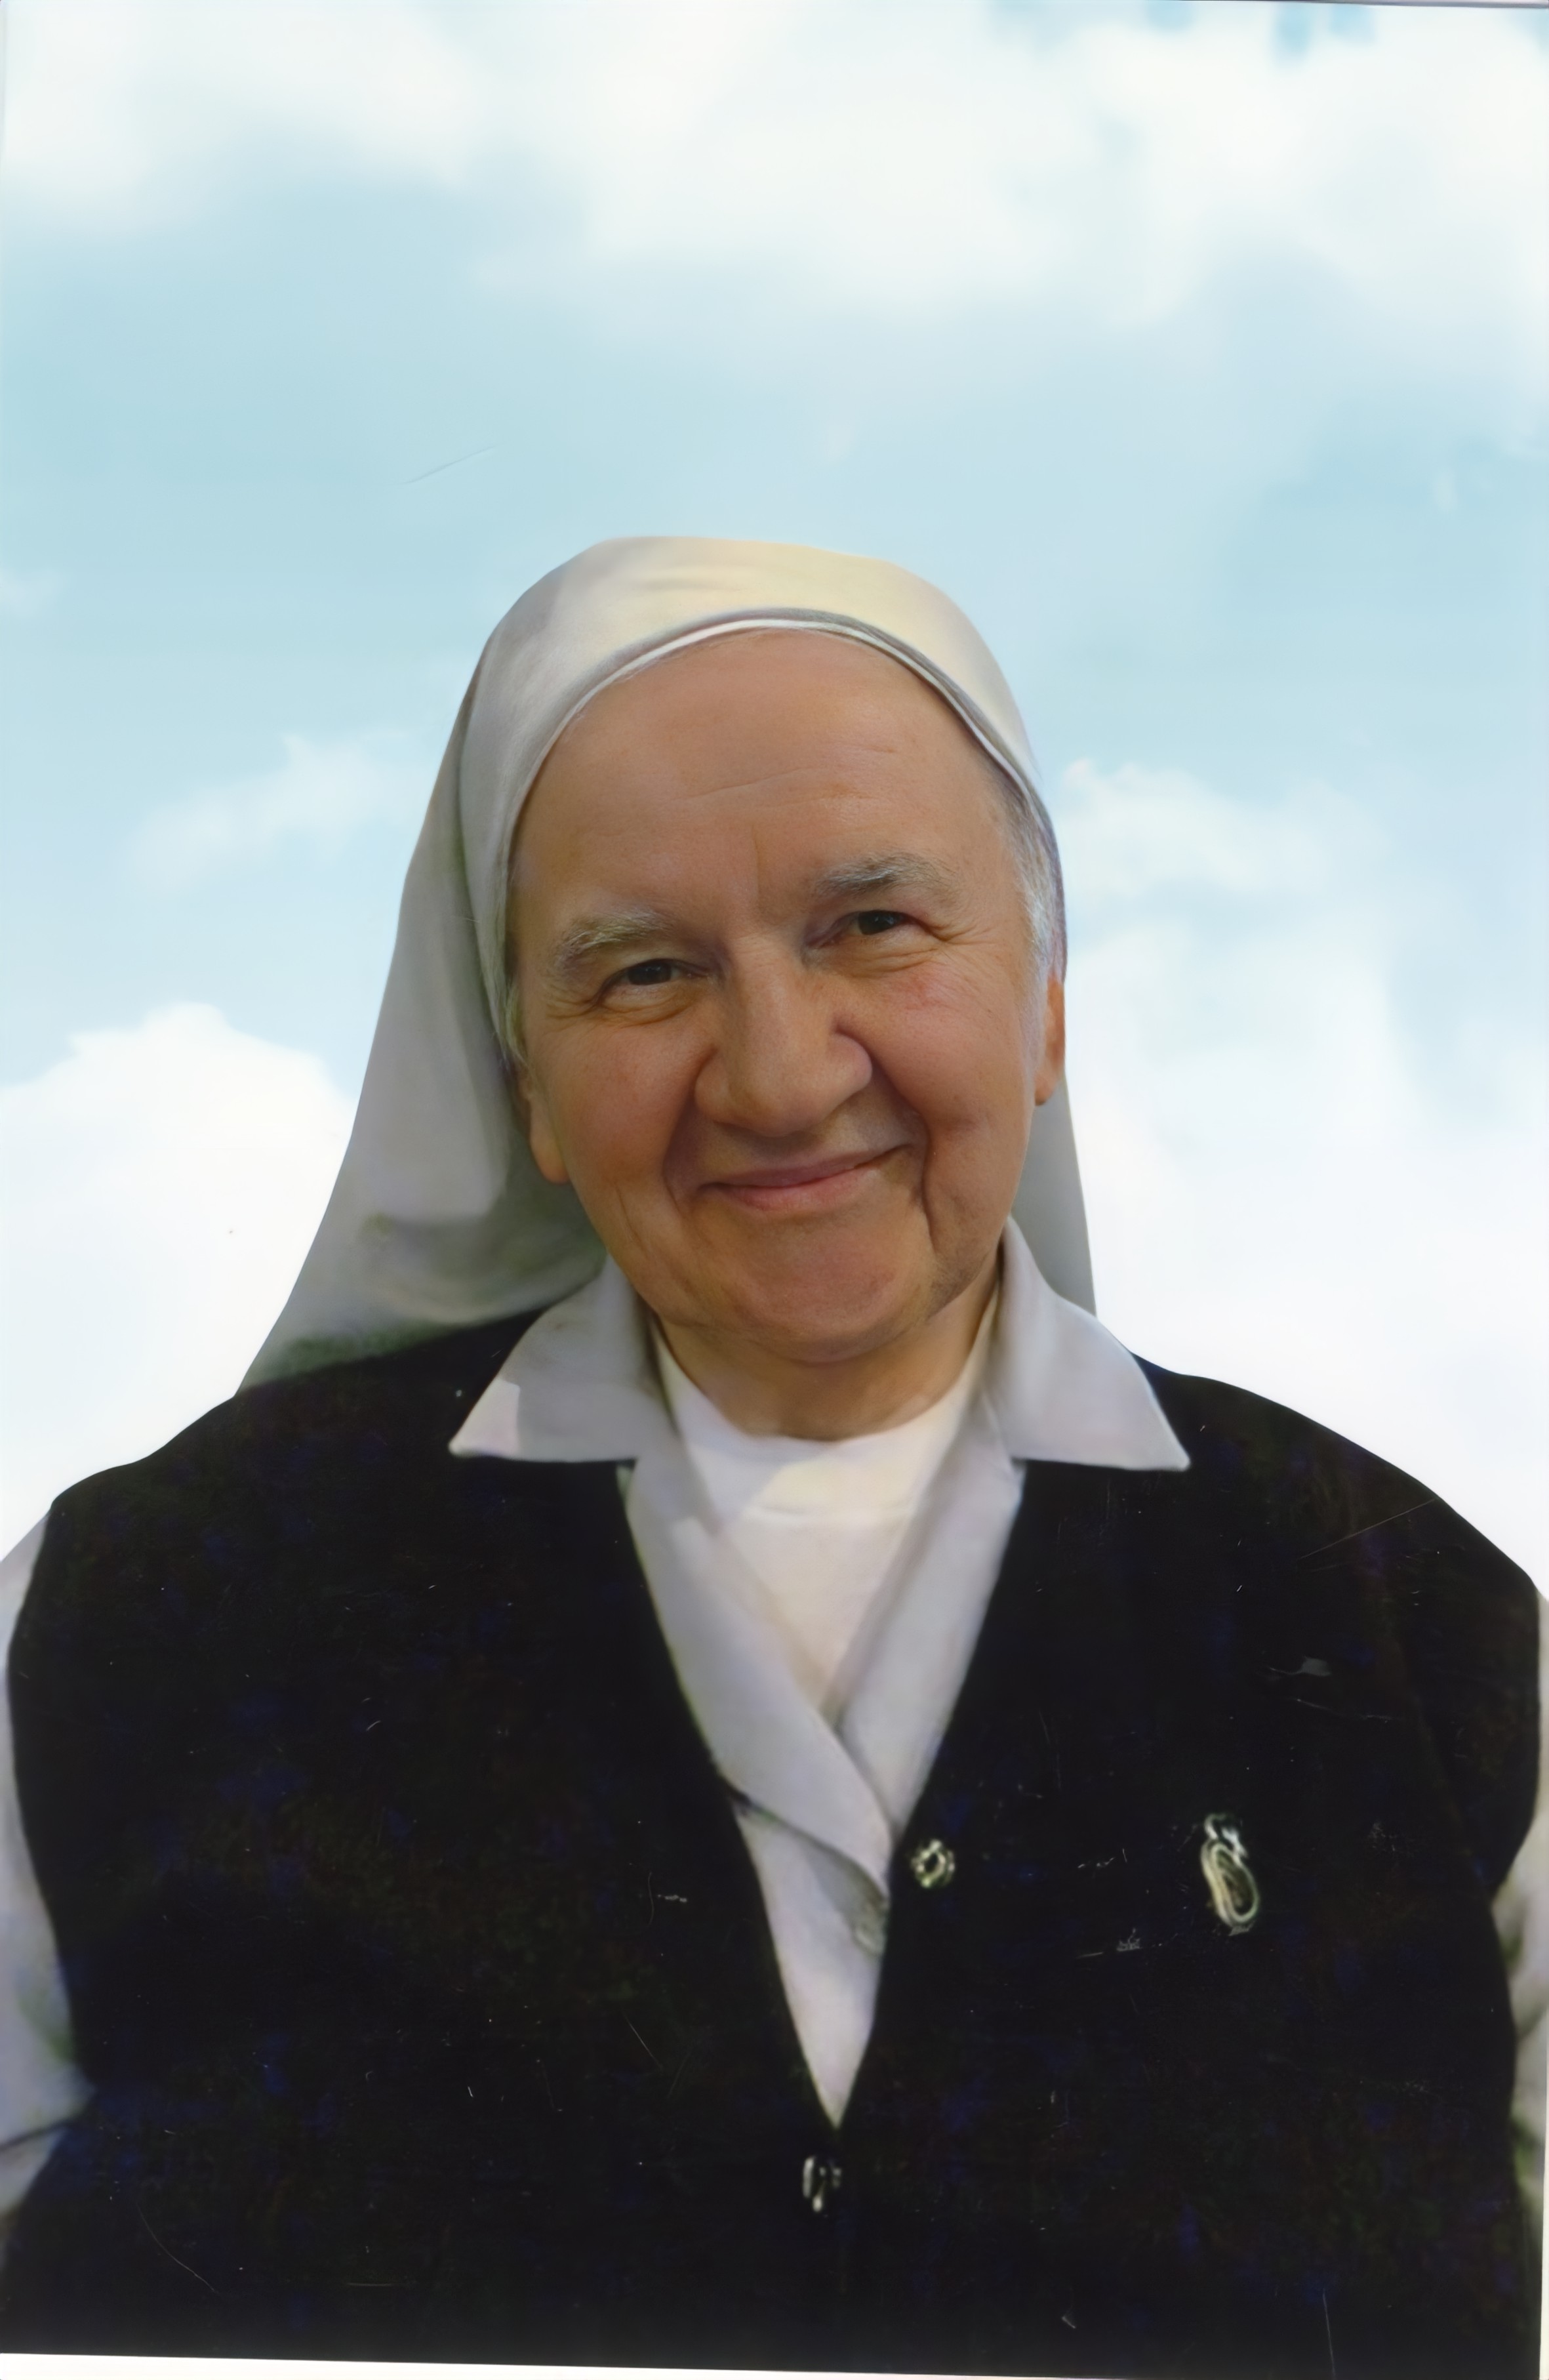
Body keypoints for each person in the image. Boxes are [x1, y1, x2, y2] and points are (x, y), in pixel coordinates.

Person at [0, 538, 1540, 2377]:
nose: (783, 1077)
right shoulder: (131, 1613)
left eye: (872, 927)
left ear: (1047, 1002)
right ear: (522, 1083)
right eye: (644, 973)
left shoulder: (1420, 1630)